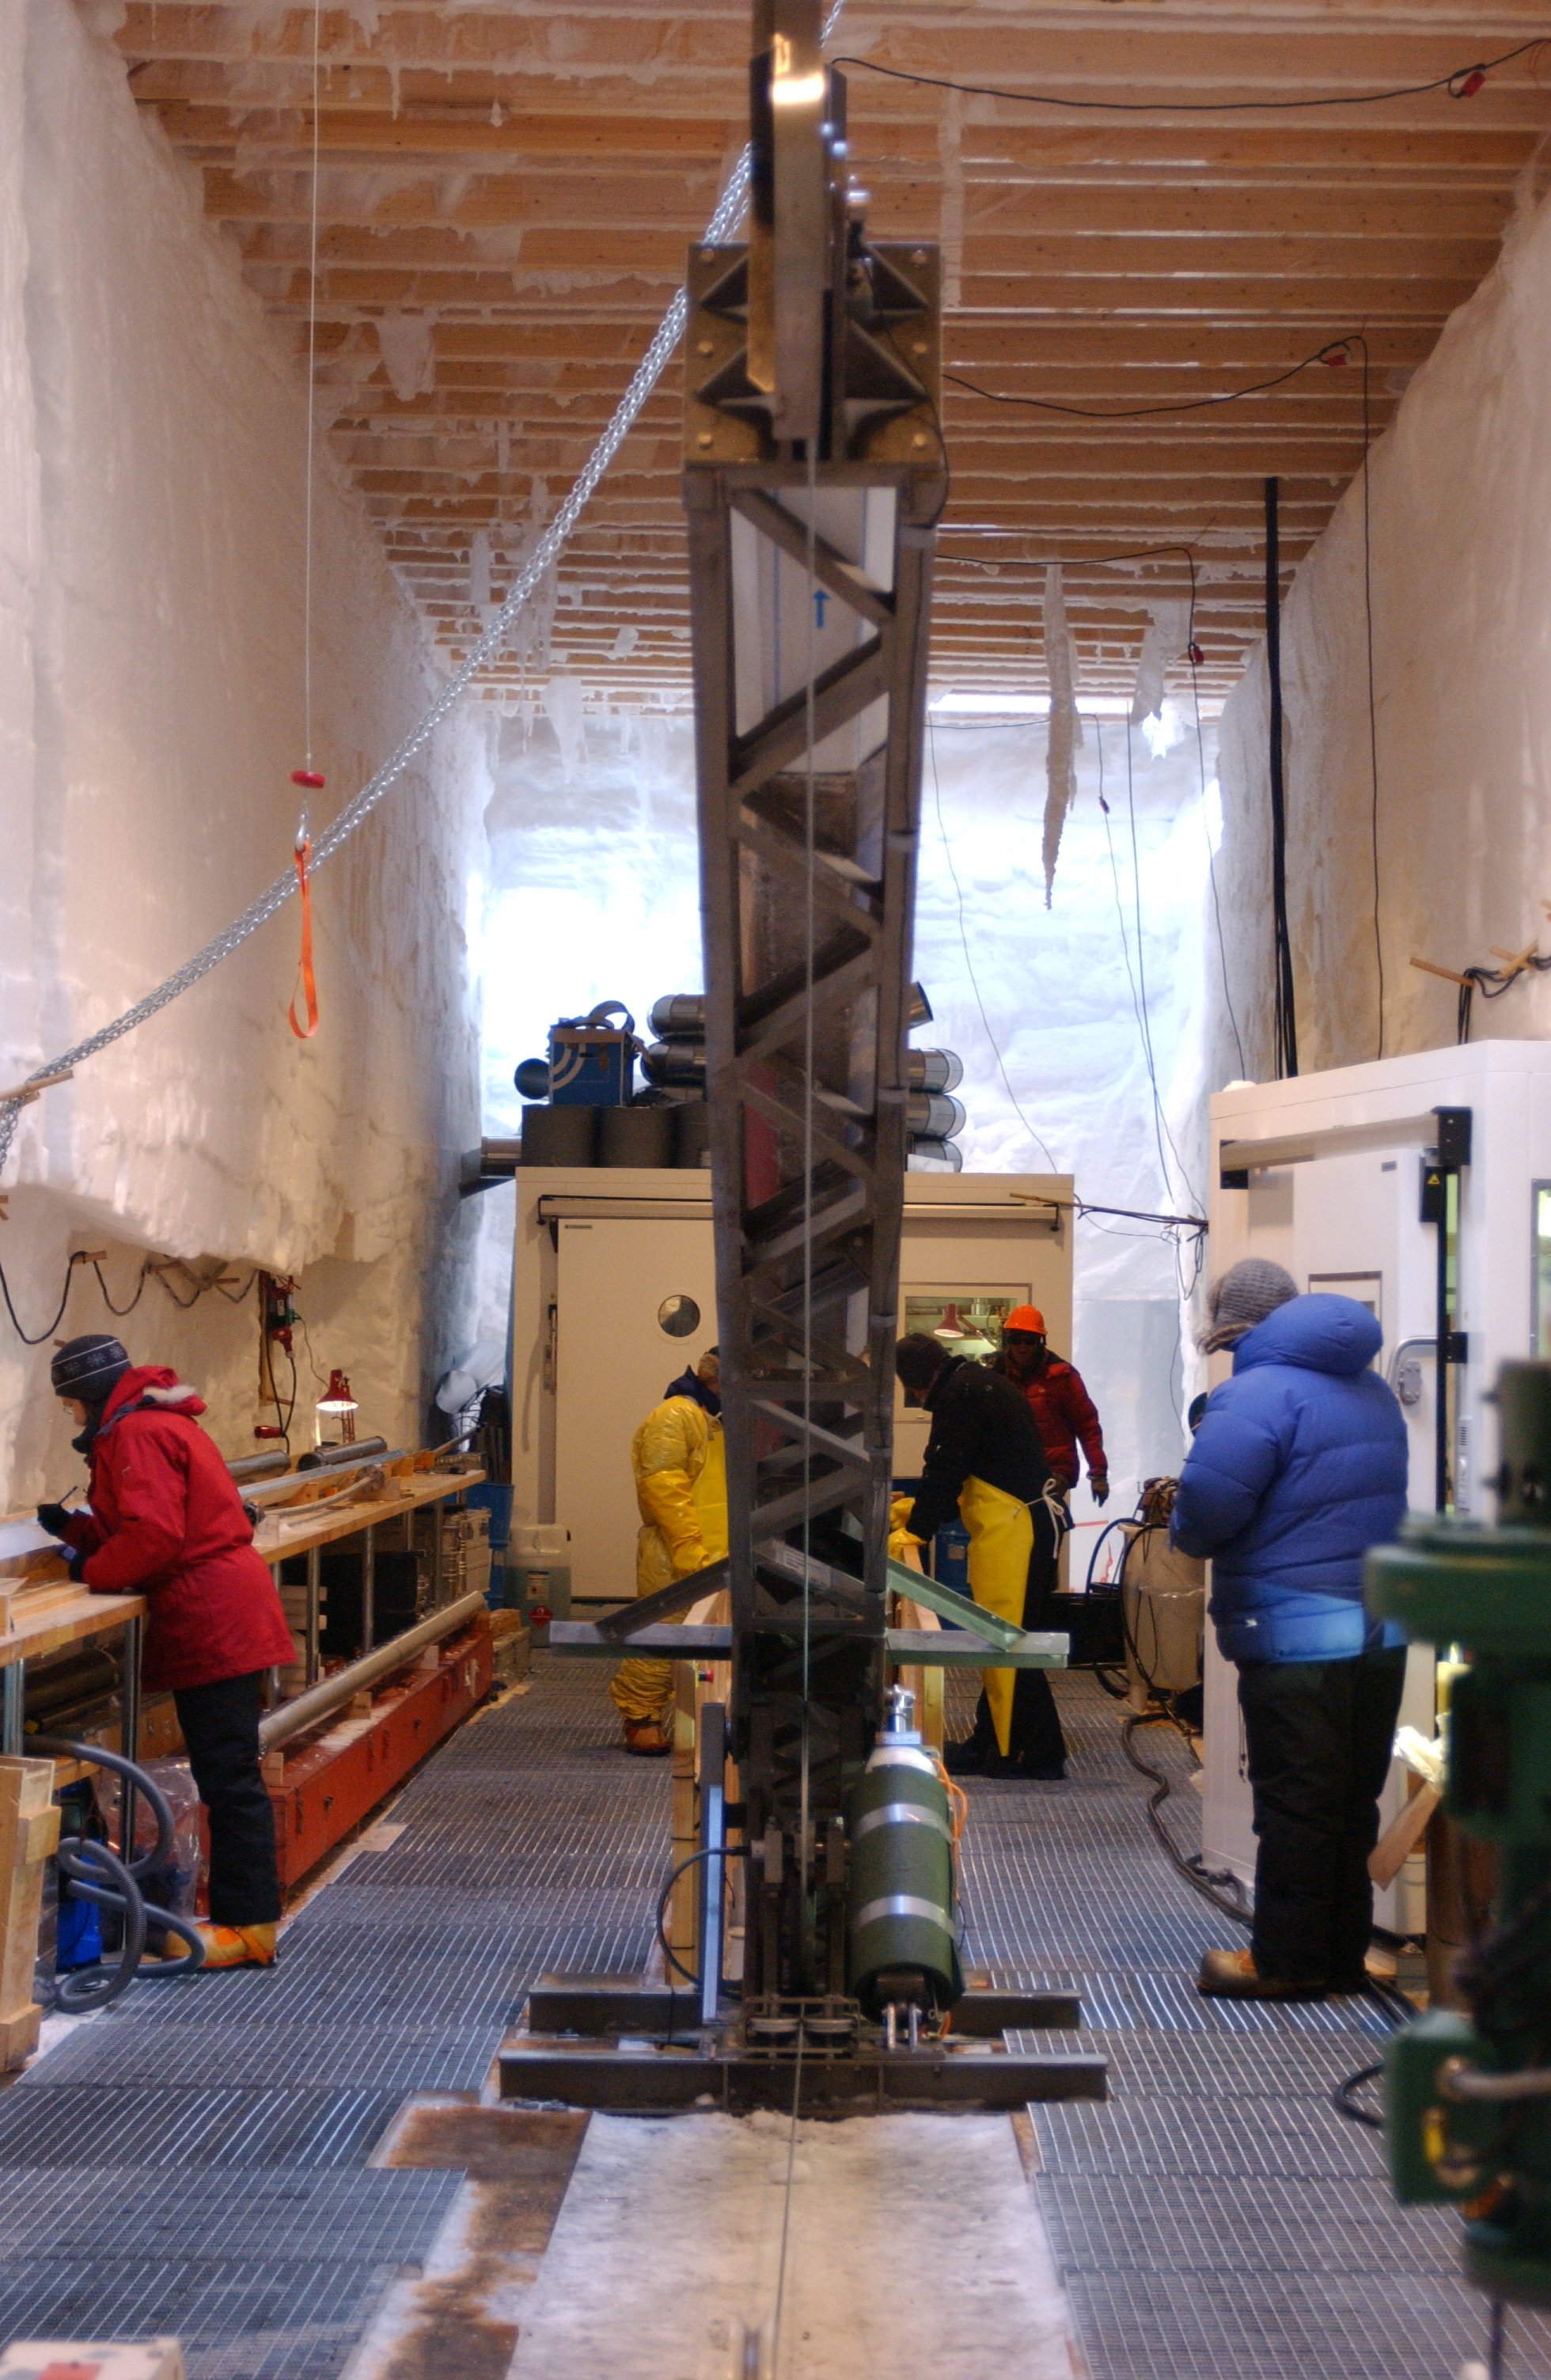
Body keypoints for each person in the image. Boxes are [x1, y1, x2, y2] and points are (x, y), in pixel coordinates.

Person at [1170, 1262, 1409, 2000]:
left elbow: (1207, 1508)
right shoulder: (1373, 1390)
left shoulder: (1254, 1395)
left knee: (1297, 1799)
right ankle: (1339, 1957)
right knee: (1351, 1798)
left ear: (1236, 1327)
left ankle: (1288, 1963)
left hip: (1296, 1630)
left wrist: (1185, 1530)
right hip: (1380, 1624)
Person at [37, 1333, 296, 1969]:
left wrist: (91, 1570)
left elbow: (154, 1538)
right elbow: (140, 1521)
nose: (73, 1416)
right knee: (227, 1768)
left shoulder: (136, 1434)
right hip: (219, 1606)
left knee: (228, 1774)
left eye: (72, 1405)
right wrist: (75, 1532)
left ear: (92, 1394)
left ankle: (249, 1926)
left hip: (213, 1614)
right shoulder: (148, 1424)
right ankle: (246, 1918)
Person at [894, 1332, 1067, 1779]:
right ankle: (992, 1742)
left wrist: (917, 1530)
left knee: (1010, 1646)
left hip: (1015, 1531)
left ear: (917, 1381)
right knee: (1001, 1643)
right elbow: (974, 1471)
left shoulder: (961, 1394)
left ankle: (1027, 1755)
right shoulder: (977, 1382)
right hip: (1020, 1525)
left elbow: (945, 1468)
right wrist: (914, 1510)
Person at [611, 1349, 726, 1757]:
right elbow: (662, 1483)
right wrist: (686, 1545)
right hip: (676, 1550)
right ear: (719, 1380)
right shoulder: (677, 1415)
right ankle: (641, 1717)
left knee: (711, 1639)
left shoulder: (718, 1419)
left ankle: (708, 1718)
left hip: (717, 1550)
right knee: (661, 1635)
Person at [992, 1306, 1109, 1506]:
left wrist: (1098, 1474)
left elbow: (1087, 1426)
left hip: (1053, 1470)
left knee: (1042, 1522)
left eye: (1029, 1340)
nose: (1022, 1347)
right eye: (1016, 1339)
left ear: (1040, 1341)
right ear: (1008, 1340)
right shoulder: (998, 1375)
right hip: (1010, 1468)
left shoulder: (1062, 1377)